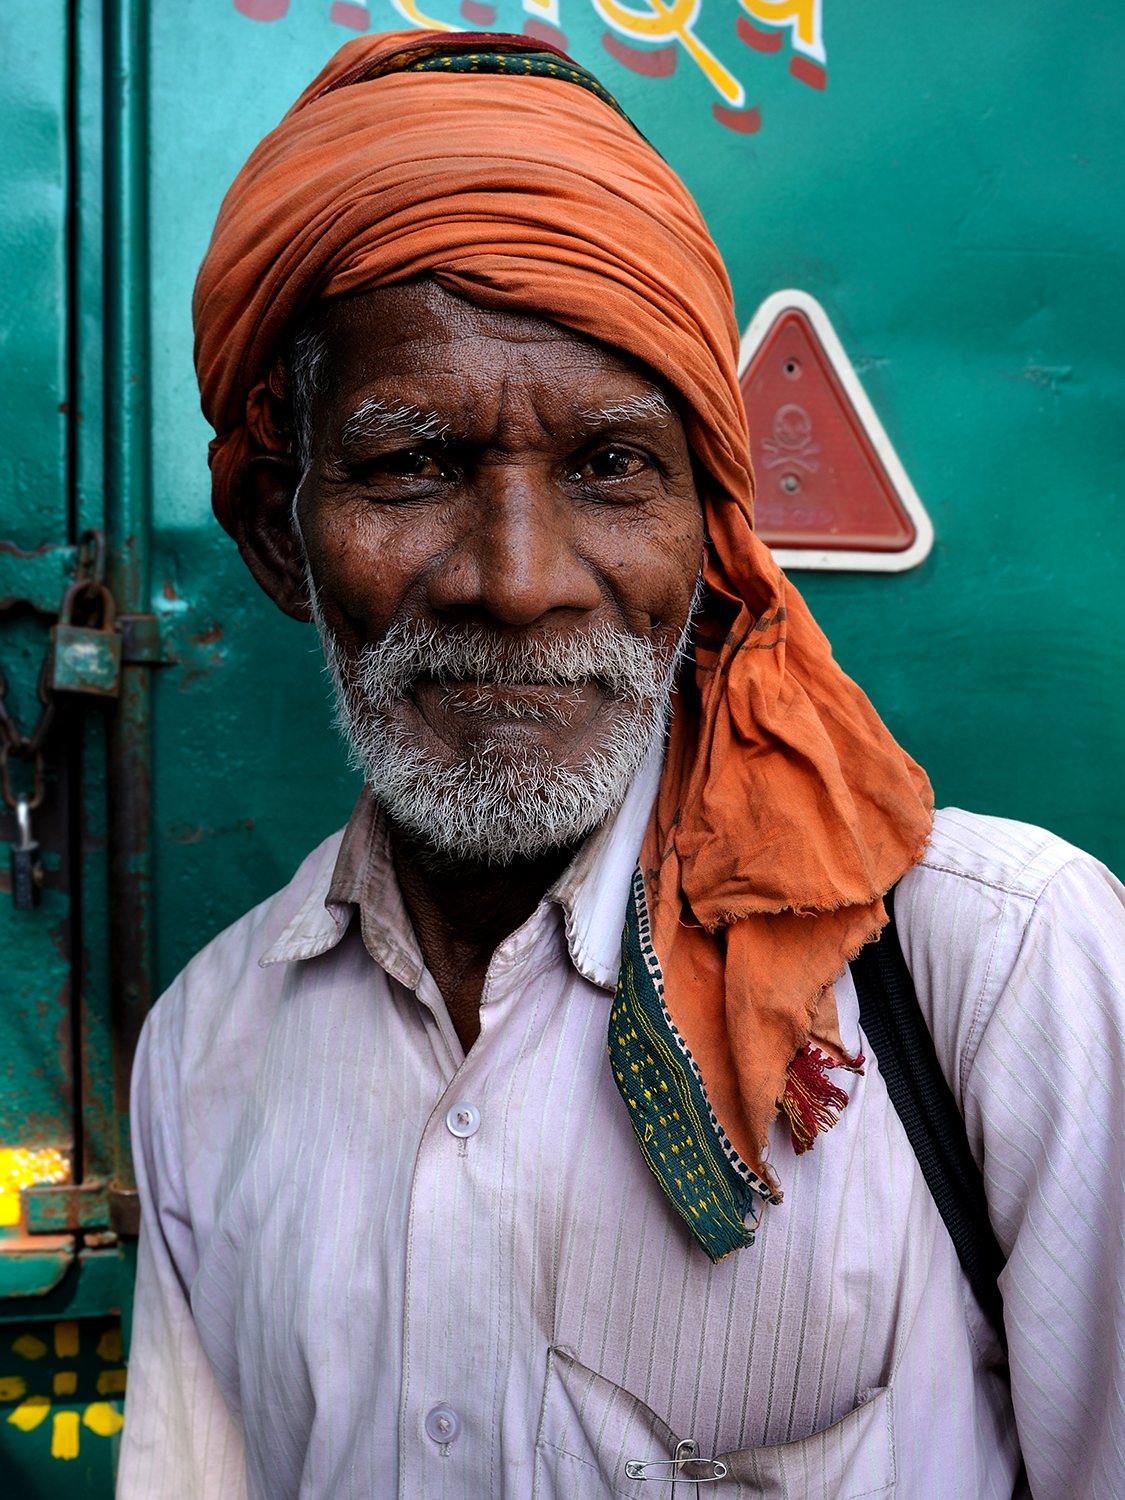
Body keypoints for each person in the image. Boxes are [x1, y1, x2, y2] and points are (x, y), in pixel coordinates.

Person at [118, 30, 1125, 1500]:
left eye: (610, 468)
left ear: (707, 529)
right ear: (283, 535)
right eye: (413, 466)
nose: (518, 581)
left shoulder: (1004, 976)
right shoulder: (206, 1058)